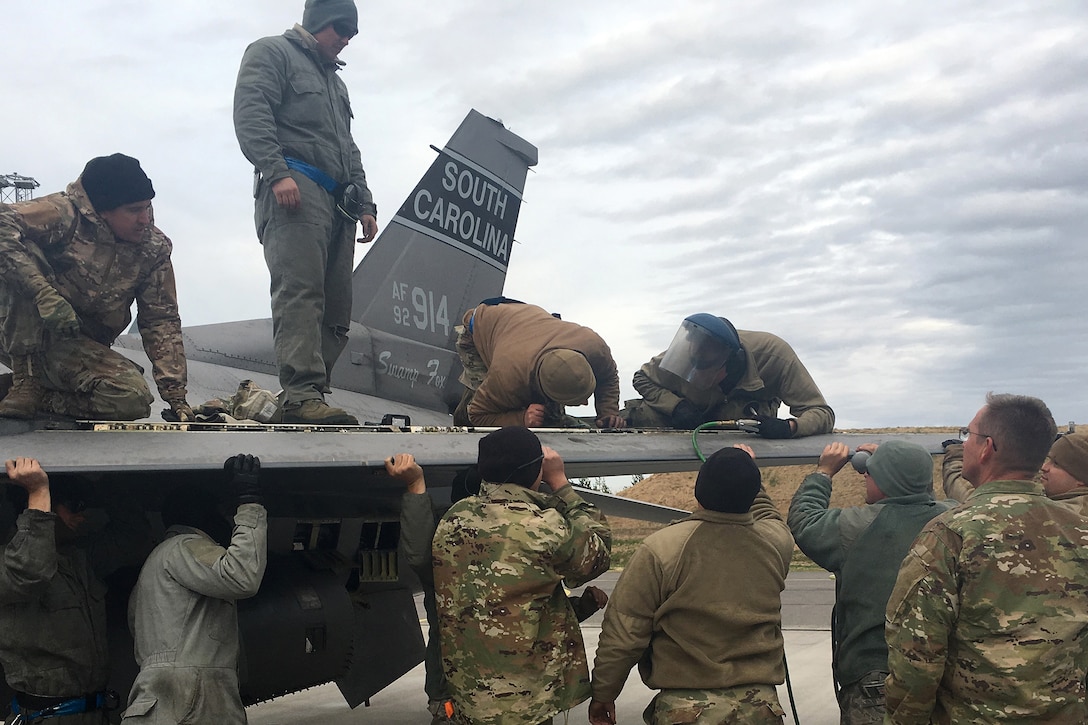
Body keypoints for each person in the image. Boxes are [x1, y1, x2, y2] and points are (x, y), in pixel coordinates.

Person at [885, 393, 1088, 723]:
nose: (964, 443)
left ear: (986, 447)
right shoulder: (1081, 531)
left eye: (968, 434)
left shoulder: (950, 534)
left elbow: (916, 658)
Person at [233, 0, 379, 426]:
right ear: (319, 23)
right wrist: (276, 173)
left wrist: (366, 201)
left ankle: (315, 390)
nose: (347, 39)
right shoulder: (271, 53)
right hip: (295, 189)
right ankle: (299, 392)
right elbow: (251, 114)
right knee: (300, 293)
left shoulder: (336, 84)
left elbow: (348, 147)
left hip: (339, 202)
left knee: (337, 305)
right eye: (341, 30)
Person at [390, 453, 607, 725]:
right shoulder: (527, 541)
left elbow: (419, 553)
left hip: (462, 699)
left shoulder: (444, 553)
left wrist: (416, 487)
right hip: (522, 702)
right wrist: (561, 484)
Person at [588, 444, 793, 725]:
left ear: (698, 491)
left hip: (687, 711)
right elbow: (769, 516)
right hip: (761, 709)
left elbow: (624, 634)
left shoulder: (663, 548)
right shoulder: (776, 543)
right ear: (751, 494)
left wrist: (604, 693)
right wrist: (745, 469)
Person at [0, 154, 192, 421]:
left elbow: (161, 319)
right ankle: (25, 381)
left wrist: (176, 395)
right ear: (102, 211)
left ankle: (33, 394)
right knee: (21, 250)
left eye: (148, 208)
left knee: (131, 399)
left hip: (71, 344)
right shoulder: (63, 215)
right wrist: (42, 293)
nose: (145, 219)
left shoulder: (152, 248)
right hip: (12, 331)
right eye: (134, 210)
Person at [787, 441, 953, 724]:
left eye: (871, 472)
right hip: (943, 672)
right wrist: (900, 466)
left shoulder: (856, 527)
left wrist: (823, 472)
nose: (865, 476)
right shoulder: (952, 518)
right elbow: (922, 499)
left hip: (875, 675)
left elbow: (804, 519)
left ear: (888, 481)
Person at [0, 457, 153, 724]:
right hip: (46, 715)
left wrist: (106, 476)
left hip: (94, 711)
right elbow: (30, 572)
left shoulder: (79, 558)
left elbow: (135, 537)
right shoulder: (8, 564)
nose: (82, 516)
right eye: (74, 506)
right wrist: (38, 492)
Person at [122, 455, 268, 724]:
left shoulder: (154, 565)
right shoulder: (185, 546)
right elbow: (243, 576)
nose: (226, 521)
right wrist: (249, 502)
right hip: (191, 699)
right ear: (202, 516)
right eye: (221, 513)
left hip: (163, 699)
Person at [622, 313, 833, 437]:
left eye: (702, 369)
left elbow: (823, 413)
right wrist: (677, 407)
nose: (693, 373)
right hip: (688, 420)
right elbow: (642, 378)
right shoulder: (687, 352)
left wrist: (790, 427)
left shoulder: (775, 356)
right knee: (640, 416)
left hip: (740, 427)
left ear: (727, 367)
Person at [453, 299, 626, 428]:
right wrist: (521, 418)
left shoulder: (594, 347)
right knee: (468, 418)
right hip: (480, 325)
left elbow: (608, 376)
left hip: (524, 324)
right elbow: (477, 415)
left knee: (549, 418)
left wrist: (608, 412)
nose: (586, 403)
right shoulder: (507, 377)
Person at [943, 430, 1088, 515]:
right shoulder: (1067, 500)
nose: (1045, 467)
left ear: (1080, 478)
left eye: (1056, 464)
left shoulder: (1064, 514)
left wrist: (956, 458)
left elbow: (980, 504)